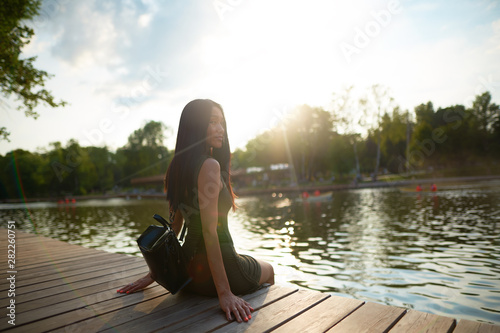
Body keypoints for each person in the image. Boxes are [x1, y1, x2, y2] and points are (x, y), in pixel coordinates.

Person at [117, 99, 274, 323]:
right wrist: (225, 294)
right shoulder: (210, 165)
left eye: (222, 122)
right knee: (269, 269)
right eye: (212, 122)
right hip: (223, 271)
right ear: (196, 126)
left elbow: (173, 228)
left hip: (190, 275)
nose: (221, 129)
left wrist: (153, 275)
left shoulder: (176, 167)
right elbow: (210, 234)